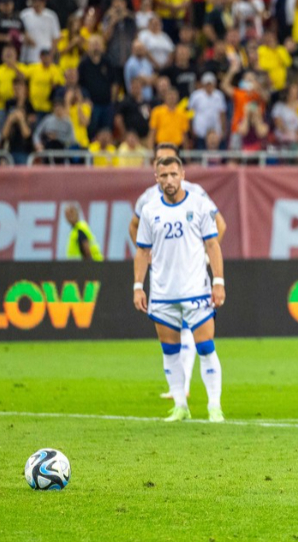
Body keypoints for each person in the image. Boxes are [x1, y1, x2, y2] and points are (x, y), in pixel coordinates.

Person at [130, 143, 228, 401]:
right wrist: (151, 260)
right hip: (164, 285)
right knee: (171, 344)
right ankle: (180, 397)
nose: (168, 176)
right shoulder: (148, 201)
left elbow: (217, 230)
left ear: (181, 170)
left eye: (172, 169)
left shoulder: (197, 195)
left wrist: (207, 258)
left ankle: (210, 402)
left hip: (193, 281)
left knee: (202, 342)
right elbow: (137, 233)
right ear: (155, 169)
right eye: (162, 167)